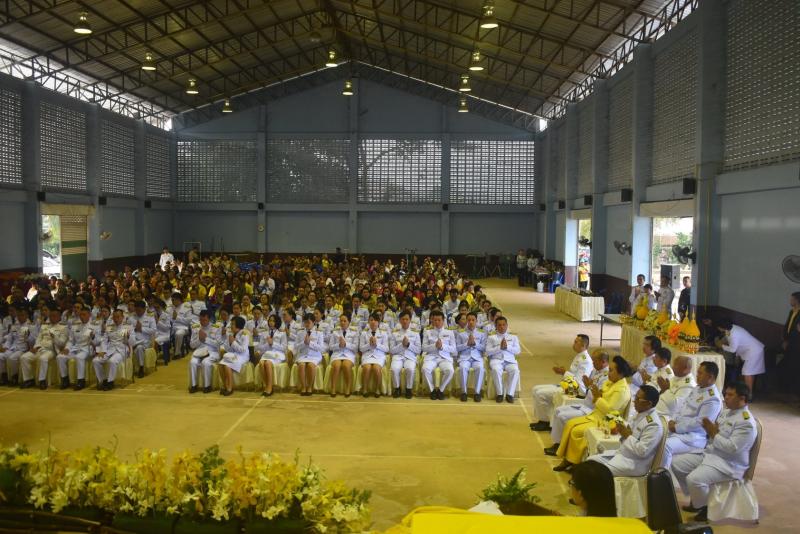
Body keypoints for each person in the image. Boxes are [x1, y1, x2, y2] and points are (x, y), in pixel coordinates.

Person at [671, 382, 758, 522]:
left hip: (728, 464)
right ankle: (697, 499)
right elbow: (715, 435)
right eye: (726, 394)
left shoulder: (746, 422)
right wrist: (711, 433)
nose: (726, 397)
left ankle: (706, 508)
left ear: (742, 398)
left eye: (730, 395)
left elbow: (732, 448)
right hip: (712, 454)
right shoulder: (726, 412)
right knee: (677, 464)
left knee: (694, 479)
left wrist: (713, 433)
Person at [553, 355, 633, 472]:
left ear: (620, 374)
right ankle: (568, 459)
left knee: (576, 431)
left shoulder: (622, 389)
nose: (608, 373)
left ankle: (574, 462)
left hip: (606, 422)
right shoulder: (611, 383)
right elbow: (601, 394)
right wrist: (596, 392)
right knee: (570, 424)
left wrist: (598, 397)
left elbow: (611, 410)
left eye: (611, 370)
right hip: (596, 415)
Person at [587, 385, 664, 476]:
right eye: (635, 397)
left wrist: (627, 435)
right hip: (622, 454)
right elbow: (628, 433)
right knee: (590, 461)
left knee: (597, 472)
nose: (634, 401)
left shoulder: (653, 424)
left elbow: (643, 451)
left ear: (648, 403)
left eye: (638, 399)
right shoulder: (640, 414)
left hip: (634, 464)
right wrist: (621, 430)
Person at [661, 361, 723, 469]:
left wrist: (676, 427)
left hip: (693, 438)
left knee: (665, 446)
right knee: (656, 435)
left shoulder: (713, 399)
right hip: (678, 429)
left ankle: (662, 475)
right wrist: (672, 420)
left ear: (710, 377)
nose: (697, 375)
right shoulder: (697, 388)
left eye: (700, 373)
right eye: (697, 372)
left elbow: (700, 423)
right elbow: (682, 406)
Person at [546, 349, 610, 451]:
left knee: (562, 417)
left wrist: (589, 386)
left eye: (595, 361)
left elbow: (599, 396)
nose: (593, 363)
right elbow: (588, 387)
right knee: (558, 410)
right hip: (585, 403)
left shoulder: (607, 377)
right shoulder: (596, 370)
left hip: (592, 409)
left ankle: (560, 446)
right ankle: (557, 443)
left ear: (603, 361)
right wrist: (587, 385)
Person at [530, 334, 593, 431]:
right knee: (535, 389)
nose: (573, 344)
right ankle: (544, 419)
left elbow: (579, 383)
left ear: (583, 345)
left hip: (574, 391)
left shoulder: (586, 361)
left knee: (540, 394)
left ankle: (545, 422)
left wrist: (564, 373)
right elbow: (573, 375)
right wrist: (563, 373)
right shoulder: (579, 356)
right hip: (567, 384)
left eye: (576, 342)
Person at [20, 307, 68, 390]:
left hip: (51, 350)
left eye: (54, 316)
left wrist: (55, 337)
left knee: (43, 358)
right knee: (24, 357)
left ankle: (42, 380)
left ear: (59, 317)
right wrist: (35, 347)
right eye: (51, 316)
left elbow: (62, 343)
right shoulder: (44, 326)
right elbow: (38, 338)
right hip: (40, 348)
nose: (52, 318)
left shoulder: (63, 328)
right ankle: (28, 380)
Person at [715, 319, 765, 395]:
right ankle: (749, 394)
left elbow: (733, 349)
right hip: (753, 350)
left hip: (754, 351)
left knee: (747, 372)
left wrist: (722, 346)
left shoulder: (734, 333)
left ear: (721, 327)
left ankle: (748, 395)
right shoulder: (732, 328)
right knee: (750, 372)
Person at [56, 307, 96, 390]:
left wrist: (93, 337)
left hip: (87, 348)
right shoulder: (75, 326)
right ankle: (65, 379)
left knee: (79, 357)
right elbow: (71, 340)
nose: (82, 316)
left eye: (84, 314)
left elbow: (97, 341)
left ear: (89, 315)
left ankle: (81, 381)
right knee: (60, 357)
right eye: (81, 314)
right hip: (75, 348)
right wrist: (67, 348)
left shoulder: (94, 326)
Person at [421, 310, 456, 400]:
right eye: (435, 320)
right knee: (425, 369)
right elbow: (424, 348)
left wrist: (442, 347)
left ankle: (440, 390)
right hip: (431, 357)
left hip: (444, 358)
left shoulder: (449, 332)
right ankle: (432, 390)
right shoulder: (427, 331)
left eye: (439, 320)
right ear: (432, 320)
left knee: (450, 370)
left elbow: (453, 349)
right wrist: (434, 346)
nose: (437, 322)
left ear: (443, 321)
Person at [92, 308, 131, 391]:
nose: (116, 319)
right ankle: (103, 380)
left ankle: (110, 382)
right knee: (96, 361)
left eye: (118, 317)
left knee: (112, 361)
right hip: (110, 349)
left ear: (122, 317)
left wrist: (128, 337)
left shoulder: (128, 327)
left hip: (121, 350)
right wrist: (102, 351)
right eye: (114, 317)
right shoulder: (109, 327)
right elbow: (104, 340)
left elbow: (132, 342)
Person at [485, 316, 521, 403]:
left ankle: (510, 394)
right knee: (496, 370)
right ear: (496, 326)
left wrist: (507, 347)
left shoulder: (513, 337)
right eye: (499, 325)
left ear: (507, 325)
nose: (502, 327)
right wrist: (499, 348)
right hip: (496, 360)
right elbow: (488, 352)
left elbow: (518, 351)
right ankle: (500, 394)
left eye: (504, 325)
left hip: (510, 361)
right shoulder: (491, 338)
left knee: (515, 370)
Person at [188, 310, 222, 394]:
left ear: (209, 319)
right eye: (201, 320)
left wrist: (206, 339)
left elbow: (218, 344)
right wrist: (199, 339)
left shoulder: (216, 327)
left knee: (205, 362)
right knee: (192, 362)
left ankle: (207, 386)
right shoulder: (195, 327)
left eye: (205, 320)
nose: (202, 322)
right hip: (199, 351)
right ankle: (194, 385)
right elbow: (192, 345)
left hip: (212, 351)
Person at [389, 310, 421, 399]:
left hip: (410, 356)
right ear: (399, 320)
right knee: (394, 369)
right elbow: (391, 350)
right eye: (403, 319)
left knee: (410, 369)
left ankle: (408, 389)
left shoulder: (415, 333)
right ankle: (397, 388)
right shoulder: (395, 333)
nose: (405, 321)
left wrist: (408, 345)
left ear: (410, 320)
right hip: (398, 356)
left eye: (407, 319)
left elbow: (418, 350)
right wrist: (402, 345)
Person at [456, 312, 486, 402]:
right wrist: (467, 344)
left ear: (476, 321)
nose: (471, 322)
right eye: (469, 320)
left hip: (477, 357)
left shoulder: (481, 333)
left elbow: (484, 348)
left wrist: (475, 344)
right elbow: (457, 348)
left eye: (473, 320)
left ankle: (477, 392)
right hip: (465, 357)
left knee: (480, 368)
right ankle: (464, 392)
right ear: (466, 321)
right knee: (463, 368)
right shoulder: (461, 333)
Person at [254, 314, 287, 397]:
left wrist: (273, 344)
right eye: (270, 321)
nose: (271, 322)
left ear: (277, 322)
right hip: (267, 354)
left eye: (273, 321)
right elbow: (260, 347)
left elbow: (284, 348)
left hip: (277, 354)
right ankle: (268, 385)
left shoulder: (282, 333)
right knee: (261, 363)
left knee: (267, 363)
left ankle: (269, 388)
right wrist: (267, 344)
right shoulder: (264, 334)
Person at [0, 307, 33, 387]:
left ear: (26, 316)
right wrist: (6, 347)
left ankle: (15, 376)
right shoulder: (14, 326)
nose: (20, 317)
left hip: (23, 349)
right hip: (12, 348)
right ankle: (4, 376)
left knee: (12, 358)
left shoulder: (31, 326)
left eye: (22, 315)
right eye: (19, 315)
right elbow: (9, 339)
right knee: (1, 356)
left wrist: (29, 337)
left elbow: (33, 341)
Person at [217, 316, 250, 396]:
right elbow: (227, 348)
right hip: (232, 355)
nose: (231, 326)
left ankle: (230, 388)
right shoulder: (230, 334)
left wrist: (233, 343)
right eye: (231, 324)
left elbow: (243, 350)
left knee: (227, 366)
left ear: (238, 325)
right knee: (220, 364)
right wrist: (229, 342)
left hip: (242, 356)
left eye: (232, 324)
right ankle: (225, 385)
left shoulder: (244, 334)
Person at [359, 312, 390, 398]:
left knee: (376, 368)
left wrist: (377, 345)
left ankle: (377, 389)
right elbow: (361, 348)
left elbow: (387, 349)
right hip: (367, 355)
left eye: (375, 320)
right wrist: (369, 344)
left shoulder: (383, 333)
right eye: (371, 320)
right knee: (367, 368)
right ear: (368, 322)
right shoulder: (364, 333)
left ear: (378, 322)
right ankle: (365, 389)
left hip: (379, 355)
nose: (373, 322)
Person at [294, 313, 325, 396]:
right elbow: (296, 346)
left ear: (313, 322)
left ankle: (310, 387)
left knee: (311, 365)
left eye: (308, 322)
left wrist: (310, 343)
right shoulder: (300, 332)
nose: (307, 324)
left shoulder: (319, 333)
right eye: (305, 322)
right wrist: (304, 343)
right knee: (301, 366)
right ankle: (303, 387)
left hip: (314, 356)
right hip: (302, 355)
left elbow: (321, 348)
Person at [328, 314, 359, 398]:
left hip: (349, 354)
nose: (342, 323)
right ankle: (333, 388)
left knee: (346, 365)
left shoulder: (354, 332)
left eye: (345, 321)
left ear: (349, 322)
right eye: (341, 321)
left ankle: (348, 388)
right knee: (337, 366)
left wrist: (345, 344)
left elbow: (356, 347)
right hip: (337, 354)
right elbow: (330, 347)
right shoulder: (335, 332)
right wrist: (339, 345)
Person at [128, 300, 156, 378]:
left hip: (145, 341)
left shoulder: (150, 317)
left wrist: (141, 329)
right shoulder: (131, 318)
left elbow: (153, 330)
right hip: (133, 340)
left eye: (139, 310)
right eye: (136, 310)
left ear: (144, 309)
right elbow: (127, 329)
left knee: (139, 348)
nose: (137, 312)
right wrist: (134, 329)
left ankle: (141, 367)